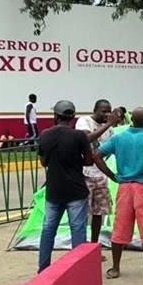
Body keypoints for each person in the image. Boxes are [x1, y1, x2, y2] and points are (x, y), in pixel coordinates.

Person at [94, 107, 143, 280]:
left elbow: (97, 155)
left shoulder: (119, 138)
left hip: (124, 187)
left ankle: (115, 268)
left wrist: (113, 176)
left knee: (120, 225)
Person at [36, 100, 93, 273]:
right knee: (77, 229)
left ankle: (43, 268)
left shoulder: (45, 134)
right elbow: (89, 160)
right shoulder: (79, 136)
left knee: (48, 229)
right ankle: (78, 270)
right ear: (72, 117)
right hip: (76, 190)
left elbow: (43, 161)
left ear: (56, 116)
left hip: (54, 191)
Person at [75, 100, 122, 250]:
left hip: (101, 176)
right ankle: (80, 247)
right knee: (81, 214)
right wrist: (108, 124)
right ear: (95, 110)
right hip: (84, 175)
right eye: (103, 111)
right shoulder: (84, 121)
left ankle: (94, 246)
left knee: (98, 213)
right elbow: (87, 138)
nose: (106, 114)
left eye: (109, 111)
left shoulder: (110, 131)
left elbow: (110, 150)